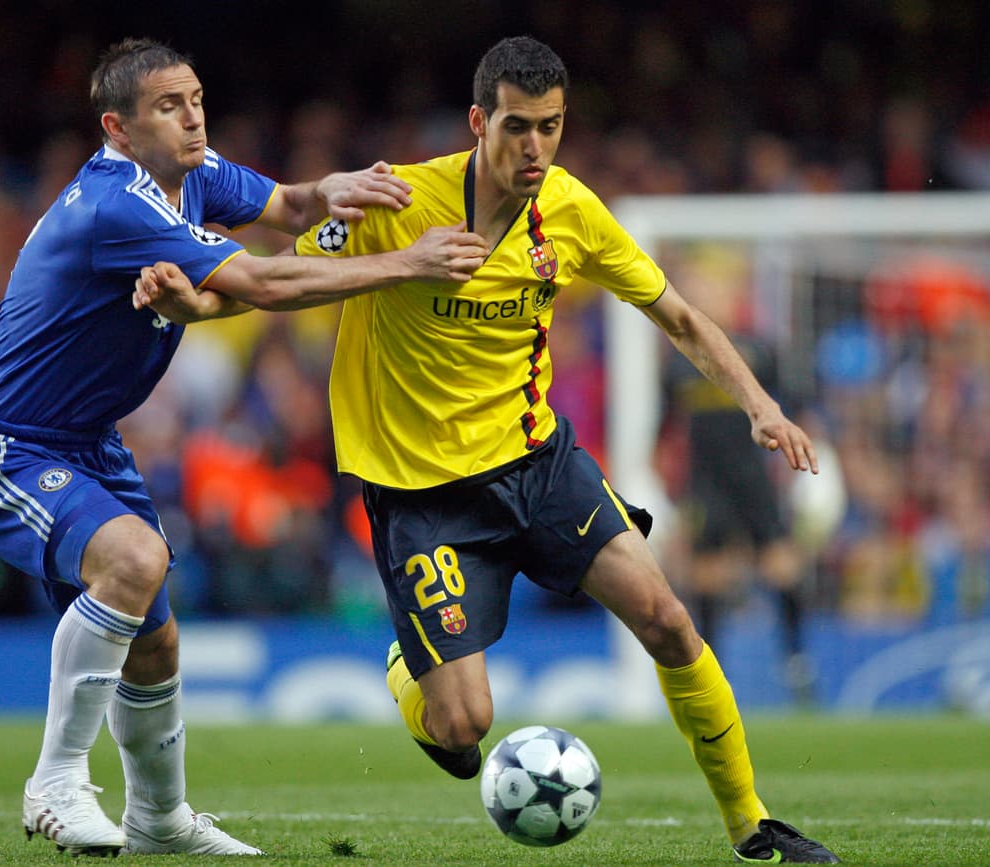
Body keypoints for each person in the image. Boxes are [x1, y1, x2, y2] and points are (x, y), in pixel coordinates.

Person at [139, 35, 840, 862]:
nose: (534, 146)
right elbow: (284, 274)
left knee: (668, 618)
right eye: (516, 126)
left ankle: (752, 825)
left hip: (538, 464)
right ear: (479, 121)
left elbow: (680, 315)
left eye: (550, 126)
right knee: (463, 728)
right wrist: (195, 308)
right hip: (422, 495)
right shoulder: (397, 201)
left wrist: (760, 406)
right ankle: (412, 667)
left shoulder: (574, 214)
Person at [0, 37, 485, 858]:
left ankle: (158, 820)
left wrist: (328, 189)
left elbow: (294, 208)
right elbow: (263, 283)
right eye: (169, 105)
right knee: (133, 560)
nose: (193, 115)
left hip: (90, 443)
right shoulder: (115, 202)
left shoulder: (196, 173)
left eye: (195, 98)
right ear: (117, 127)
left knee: (154, 635)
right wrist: (406, 263)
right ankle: (56, 784)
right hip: (7, 446)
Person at [660, 249, 818, 705]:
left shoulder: (759, 351)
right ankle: (714, 679)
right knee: (706, 577)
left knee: (781, 566)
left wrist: (802, 473)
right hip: (704, 482)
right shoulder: (677, 361)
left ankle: (797, 662)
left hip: (754, 477)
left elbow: (796, 411)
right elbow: (664, 427)